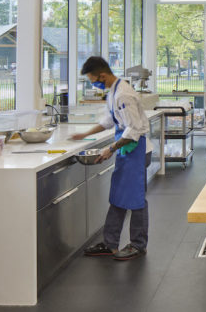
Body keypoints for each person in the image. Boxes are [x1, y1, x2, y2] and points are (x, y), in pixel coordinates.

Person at [70, 56, 150, 261]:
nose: (93, 84)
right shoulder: (113, 91)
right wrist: (84, 134)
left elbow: (134, 129)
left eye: (92, 80)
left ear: (102, 75)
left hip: (135, 148)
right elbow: (109, 121)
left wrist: (111, 148)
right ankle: (110, 243)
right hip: (126, 149)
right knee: (118, 196)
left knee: (135, 198)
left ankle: (138, 244)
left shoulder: (123, 94)